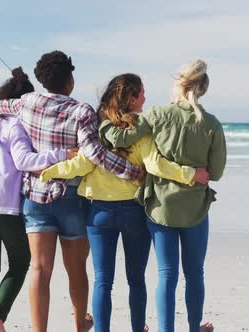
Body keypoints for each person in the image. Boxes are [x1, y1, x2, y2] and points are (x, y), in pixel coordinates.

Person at [38, 73, 210, 332]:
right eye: (142, 93)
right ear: (131, 98)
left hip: (99, 213)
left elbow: (82, 163)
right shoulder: (140, 131)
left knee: (102, 281)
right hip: (134, 212)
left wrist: (49, 172)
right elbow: (156, 165)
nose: (145, 97)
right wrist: (190, 175)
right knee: (136, 280)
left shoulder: (97, 130)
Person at [0, 51, 144, 332]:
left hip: (36, 197)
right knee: (76, 270)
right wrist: (132, 171)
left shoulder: (27, 102)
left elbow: (0, 107)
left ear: (43, 80)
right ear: (70, 80)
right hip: (71, 199)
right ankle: (78, 327)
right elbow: (94, 153)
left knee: (39, 270)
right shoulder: (81, 110)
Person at [100, 60, 226, 332]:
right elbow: (216, 172)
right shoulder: (212, 124)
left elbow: (120, 139)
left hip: (160, 209)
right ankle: (193, 328)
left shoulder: (157, 115)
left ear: (178, 85)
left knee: (166, 275)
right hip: (195, 209)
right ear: (202, 89)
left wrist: (103, 126)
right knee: (195, 274)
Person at [0, 68, 76, 332]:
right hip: (4, 207)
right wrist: (63, 155)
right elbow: (24, 161)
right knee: (21, 262)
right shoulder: (15, 125)